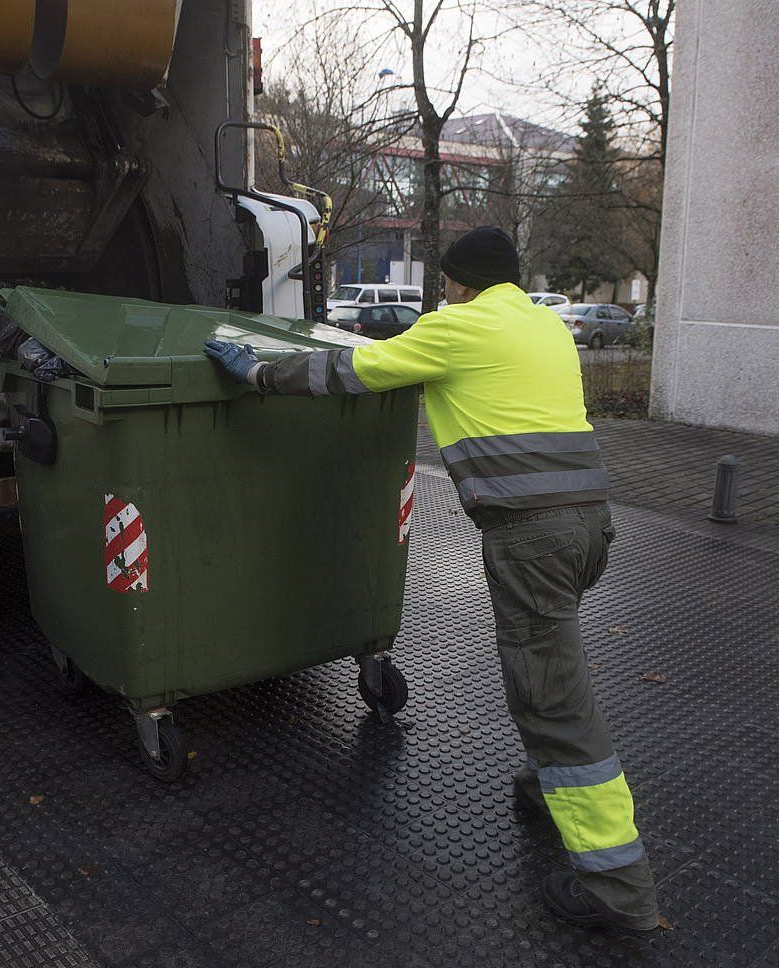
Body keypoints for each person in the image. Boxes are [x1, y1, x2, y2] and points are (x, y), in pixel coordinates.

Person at [204, 225, 659, 934]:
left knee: (552, 702)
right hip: (591, 527)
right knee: (553, 673)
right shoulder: (545, 327)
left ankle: (617, 887)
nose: (444, 290)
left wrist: (258, 373)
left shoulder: (457, 329)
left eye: (447, 280)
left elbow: (349, 372)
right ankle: (550, 786)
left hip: (532, 537)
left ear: (460, 281)